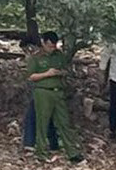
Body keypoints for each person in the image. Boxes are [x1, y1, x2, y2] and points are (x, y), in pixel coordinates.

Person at [26, 32, 81, 161]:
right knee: (42, 123)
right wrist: (47, 74)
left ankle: (72, 153)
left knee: (64, 122)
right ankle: (41, 153)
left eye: (54, 46)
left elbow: (68, 71)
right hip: (43, 92)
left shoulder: (59, 56)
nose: (52, 49)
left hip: (58, 91)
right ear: (43, 43)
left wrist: (61, 73)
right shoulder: (35, 57)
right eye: (49, 46)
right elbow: (31, 76)